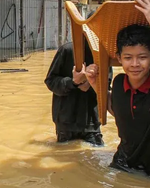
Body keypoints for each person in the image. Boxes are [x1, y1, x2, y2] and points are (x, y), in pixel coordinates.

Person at [86, 0, 150, 182]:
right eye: (128, 57)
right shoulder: (120, 82)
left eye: (142, 57)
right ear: (119, 58)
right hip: (122, 166)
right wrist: (95, 84)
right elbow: (119, 112)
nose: (135, 64)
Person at [45, 11, 111, 146]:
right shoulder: (67, 50)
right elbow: (50, 81)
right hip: (66, 121)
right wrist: (73, 82)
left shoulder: (105, 53)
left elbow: (107, 85)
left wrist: (91, 84)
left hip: (91, 121)